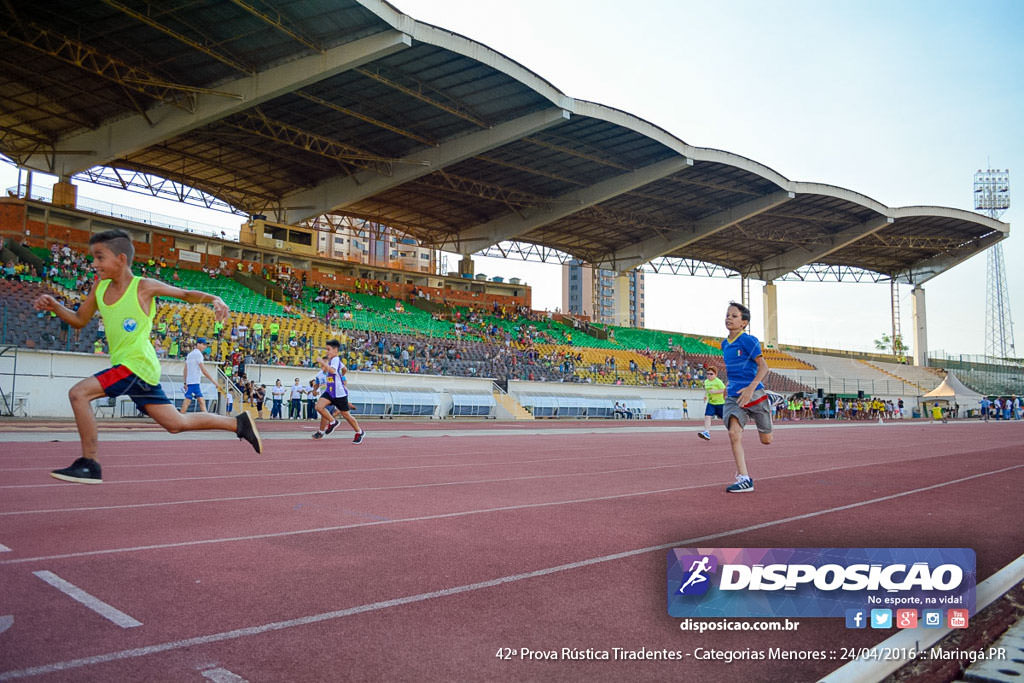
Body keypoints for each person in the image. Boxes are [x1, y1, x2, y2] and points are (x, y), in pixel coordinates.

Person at [32, 229, 261, 484]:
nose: (94, 264)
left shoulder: (143, 287)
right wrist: (55, 305)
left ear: (120, 259)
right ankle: (238, 424)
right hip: (132, 369)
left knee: (79, 393)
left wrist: (215, 298)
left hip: (136, 365)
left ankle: (89, 463)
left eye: (99, 257)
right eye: (93, 258)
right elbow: (79, 319)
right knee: (176, 423)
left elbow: (184, 295)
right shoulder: (100, 287)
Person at [719, 301, 773, 493]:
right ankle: (744, 478)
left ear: (744, 323)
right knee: (734, 434)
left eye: (734, 316)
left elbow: (764, 367)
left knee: (766, 440)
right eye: (727, 315)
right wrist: (727, 386)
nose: (729, 318)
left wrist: (751, 388)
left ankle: (770, 401)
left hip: (755, 394)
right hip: (735, 396)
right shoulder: (724, 344)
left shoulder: (748, 340)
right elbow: (733, 369)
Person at [312, 339, 364, 443]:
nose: (327, 352)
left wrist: (322, 362)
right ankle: (332, 421)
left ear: (335, 350)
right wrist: (341, 375)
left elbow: (332, 370)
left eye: (328, 350)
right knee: (318, 407)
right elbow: (345, 369)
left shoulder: (335, 359)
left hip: (339, 394)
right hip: (330, 392)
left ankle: (359, 432)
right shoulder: (335, 361)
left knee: (346, 415)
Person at [180, 338, 219, 414]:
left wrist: (185, 382)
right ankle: (179, 419)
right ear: (198, 344)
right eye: (203, 344)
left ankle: (207, 418)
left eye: (205, 345)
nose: (204, 347)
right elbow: (203, 370)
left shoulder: (190, 354)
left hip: (191, 382)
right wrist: (214, 382)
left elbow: (185, 369)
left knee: (201, 401)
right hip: (194, 382)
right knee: (188, 401)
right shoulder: (198, 355)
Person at [698, 366, 726, 441]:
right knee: (707, 416)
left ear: (715, 374)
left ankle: (735, 428)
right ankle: (706, 432)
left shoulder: (718, 381)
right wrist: (705, 396)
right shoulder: (706, 382)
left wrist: (715, 392)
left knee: (726, 419)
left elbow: (724, 389)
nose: (709, 376)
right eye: (707, 374)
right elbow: (707, 391)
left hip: (720, 403)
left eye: (711, 374)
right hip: (711, 403)